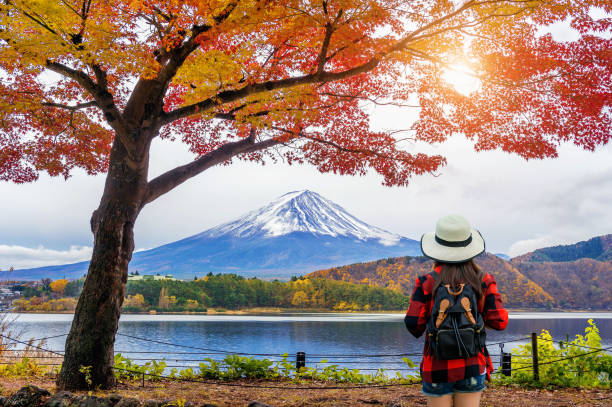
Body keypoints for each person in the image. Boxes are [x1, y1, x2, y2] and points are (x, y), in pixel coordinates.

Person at [404, 214, 508, 407]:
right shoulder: (483, 280)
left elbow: (413, 325)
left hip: (436, 366)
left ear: (437, 248)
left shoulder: (426, 281)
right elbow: (499, 322)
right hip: (472, 365)